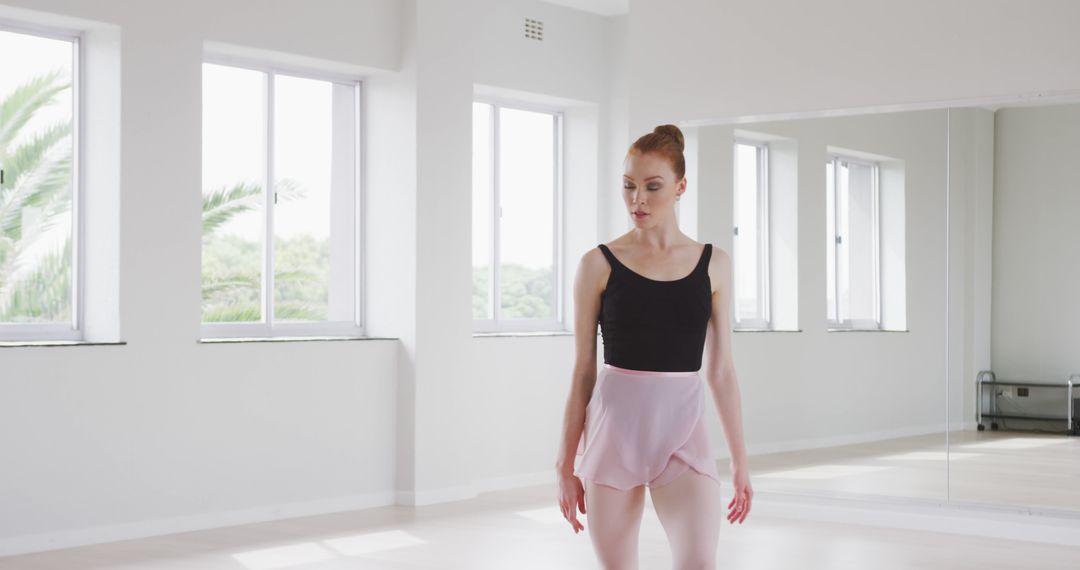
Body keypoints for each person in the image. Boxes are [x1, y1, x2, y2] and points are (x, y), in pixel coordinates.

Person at [554, 124, 752, 569]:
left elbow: (721, 372)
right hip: (613, 436)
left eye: (652, 187)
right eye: (628, 186)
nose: (637, 200)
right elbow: (583, 371)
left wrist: (741, 462)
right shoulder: (597, 265)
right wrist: (564, 465)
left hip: (683, 436)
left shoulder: (714, 264)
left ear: (681, 187)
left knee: (699, 563)